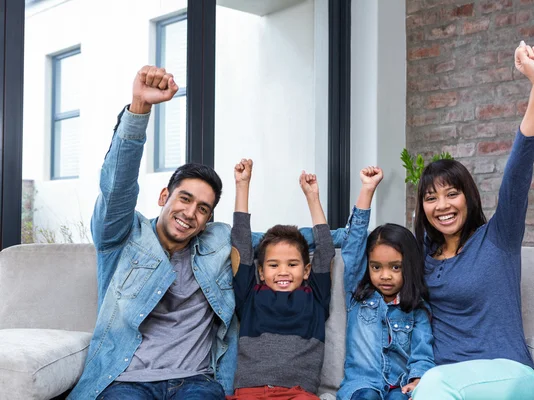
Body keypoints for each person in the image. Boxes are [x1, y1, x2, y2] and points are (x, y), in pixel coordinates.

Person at [68, 66, 238, 399]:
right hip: (125, 379)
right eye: (184, 199)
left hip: (197, 380)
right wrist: (139, 110)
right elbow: (117, 187)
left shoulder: (218, 242)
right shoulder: (122, 236)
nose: (190, 213)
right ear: (164, 197)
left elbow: (284, 244)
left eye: (203, 208)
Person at [409, 41, 534, 399]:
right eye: (431, 198)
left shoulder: (498, 239)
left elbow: (518, 172)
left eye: (451, 193)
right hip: (451, 383)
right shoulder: (423, 257)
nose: (442, 205)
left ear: (469, 197)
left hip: (511, 377)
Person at [227, 159, 335, 400]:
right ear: (261, 272)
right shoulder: (249, 296)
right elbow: (241, 247)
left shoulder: (316, 297)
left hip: (298, 394)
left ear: (307, 271)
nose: (283, 271)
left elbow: (325, 251)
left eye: (293, 264)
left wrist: (313, 198)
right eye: (274, 265)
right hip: (250, 392)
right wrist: (242, 185)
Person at [337, 166, 435, 400]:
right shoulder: (358, 295)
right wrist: (367, 189)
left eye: (395, 267)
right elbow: (354, 244)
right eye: (376, 267)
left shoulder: (417, 309)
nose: (385, 275)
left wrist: (417, 379)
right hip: (362, 385)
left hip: (398, 386)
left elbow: (422, 354)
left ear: (408, 267)